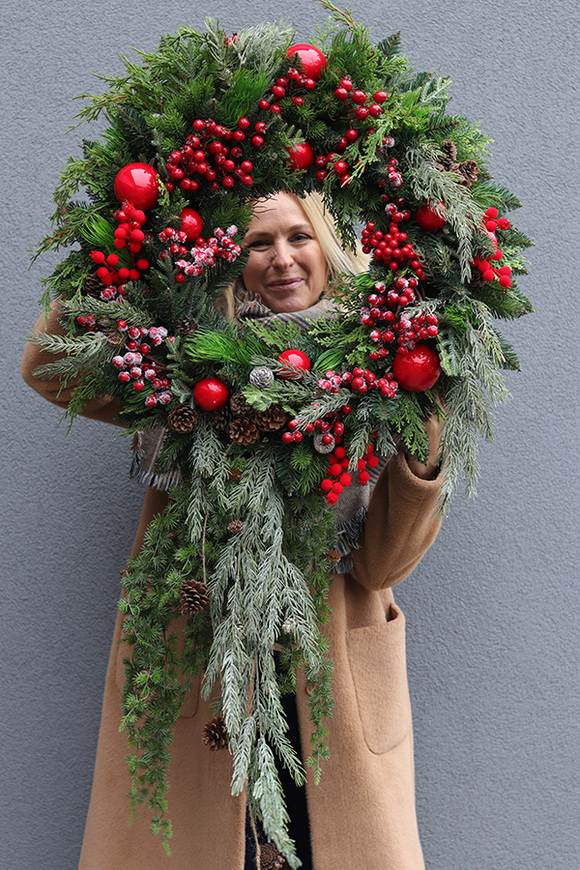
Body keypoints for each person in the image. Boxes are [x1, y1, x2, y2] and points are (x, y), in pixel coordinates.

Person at [22, 191, 443, 870]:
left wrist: (426, 426)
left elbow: (380, 567)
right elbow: (49, 367)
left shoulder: (380, 374)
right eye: (258, 243)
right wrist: (116, 247)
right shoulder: (183, 369)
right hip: (202, 659)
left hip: (328, 664)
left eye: (299, 237)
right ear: (232, 261)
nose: (282, 259)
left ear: (329, 249)